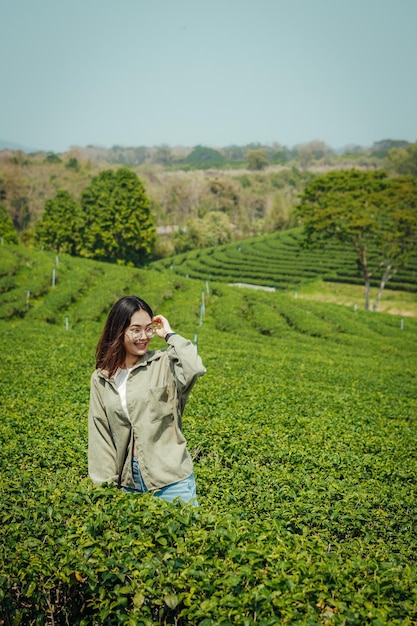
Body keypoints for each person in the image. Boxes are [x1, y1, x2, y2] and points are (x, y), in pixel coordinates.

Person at [88, 295, 206, 505]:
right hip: (128, 484)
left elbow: (194, 368)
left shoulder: (163, 363)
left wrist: (170, 335)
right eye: (135, 329)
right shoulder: (102, 378)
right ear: (118, 331)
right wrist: (105, 490)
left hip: (172, 481)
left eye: (148, 328)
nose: (144, 336)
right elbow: (101, 434)